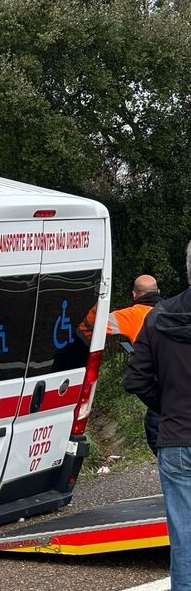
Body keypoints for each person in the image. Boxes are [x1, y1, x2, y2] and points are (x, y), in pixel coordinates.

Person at [123, 241, 191, 590]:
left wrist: (166, 405)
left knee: (184, 540)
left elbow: (135, 379)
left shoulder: (158, 316)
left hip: (177, 438)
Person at [79, 274, 163, 451]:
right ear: (158, 292)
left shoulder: (128, 316)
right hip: (182, 376)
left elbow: (88, 327)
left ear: (134, 295)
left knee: (156, 428)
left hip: (157, 382)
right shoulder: (174, 309)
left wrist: (98, 302)